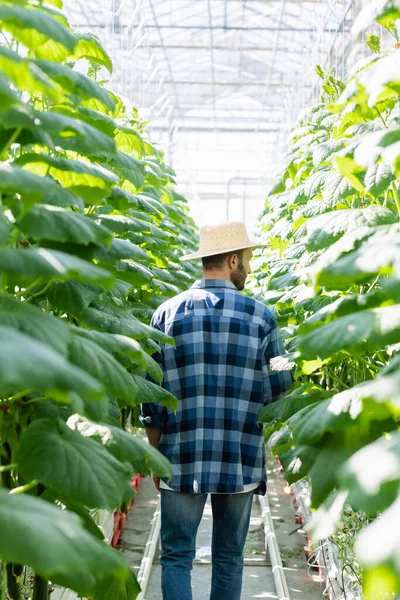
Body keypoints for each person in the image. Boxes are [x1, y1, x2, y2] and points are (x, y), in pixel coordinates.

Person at [139, 221, 293, 600]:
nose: (250, 269)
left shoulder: (165, 314)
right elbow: (280, 388)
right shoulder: (262, 317)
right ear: (232, 259)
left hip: (181, 454)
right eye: (248, 261)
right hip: (238, 455)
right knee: (229, 557)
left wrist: (156, 453)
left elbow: (151, 397)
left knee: (176, 556)